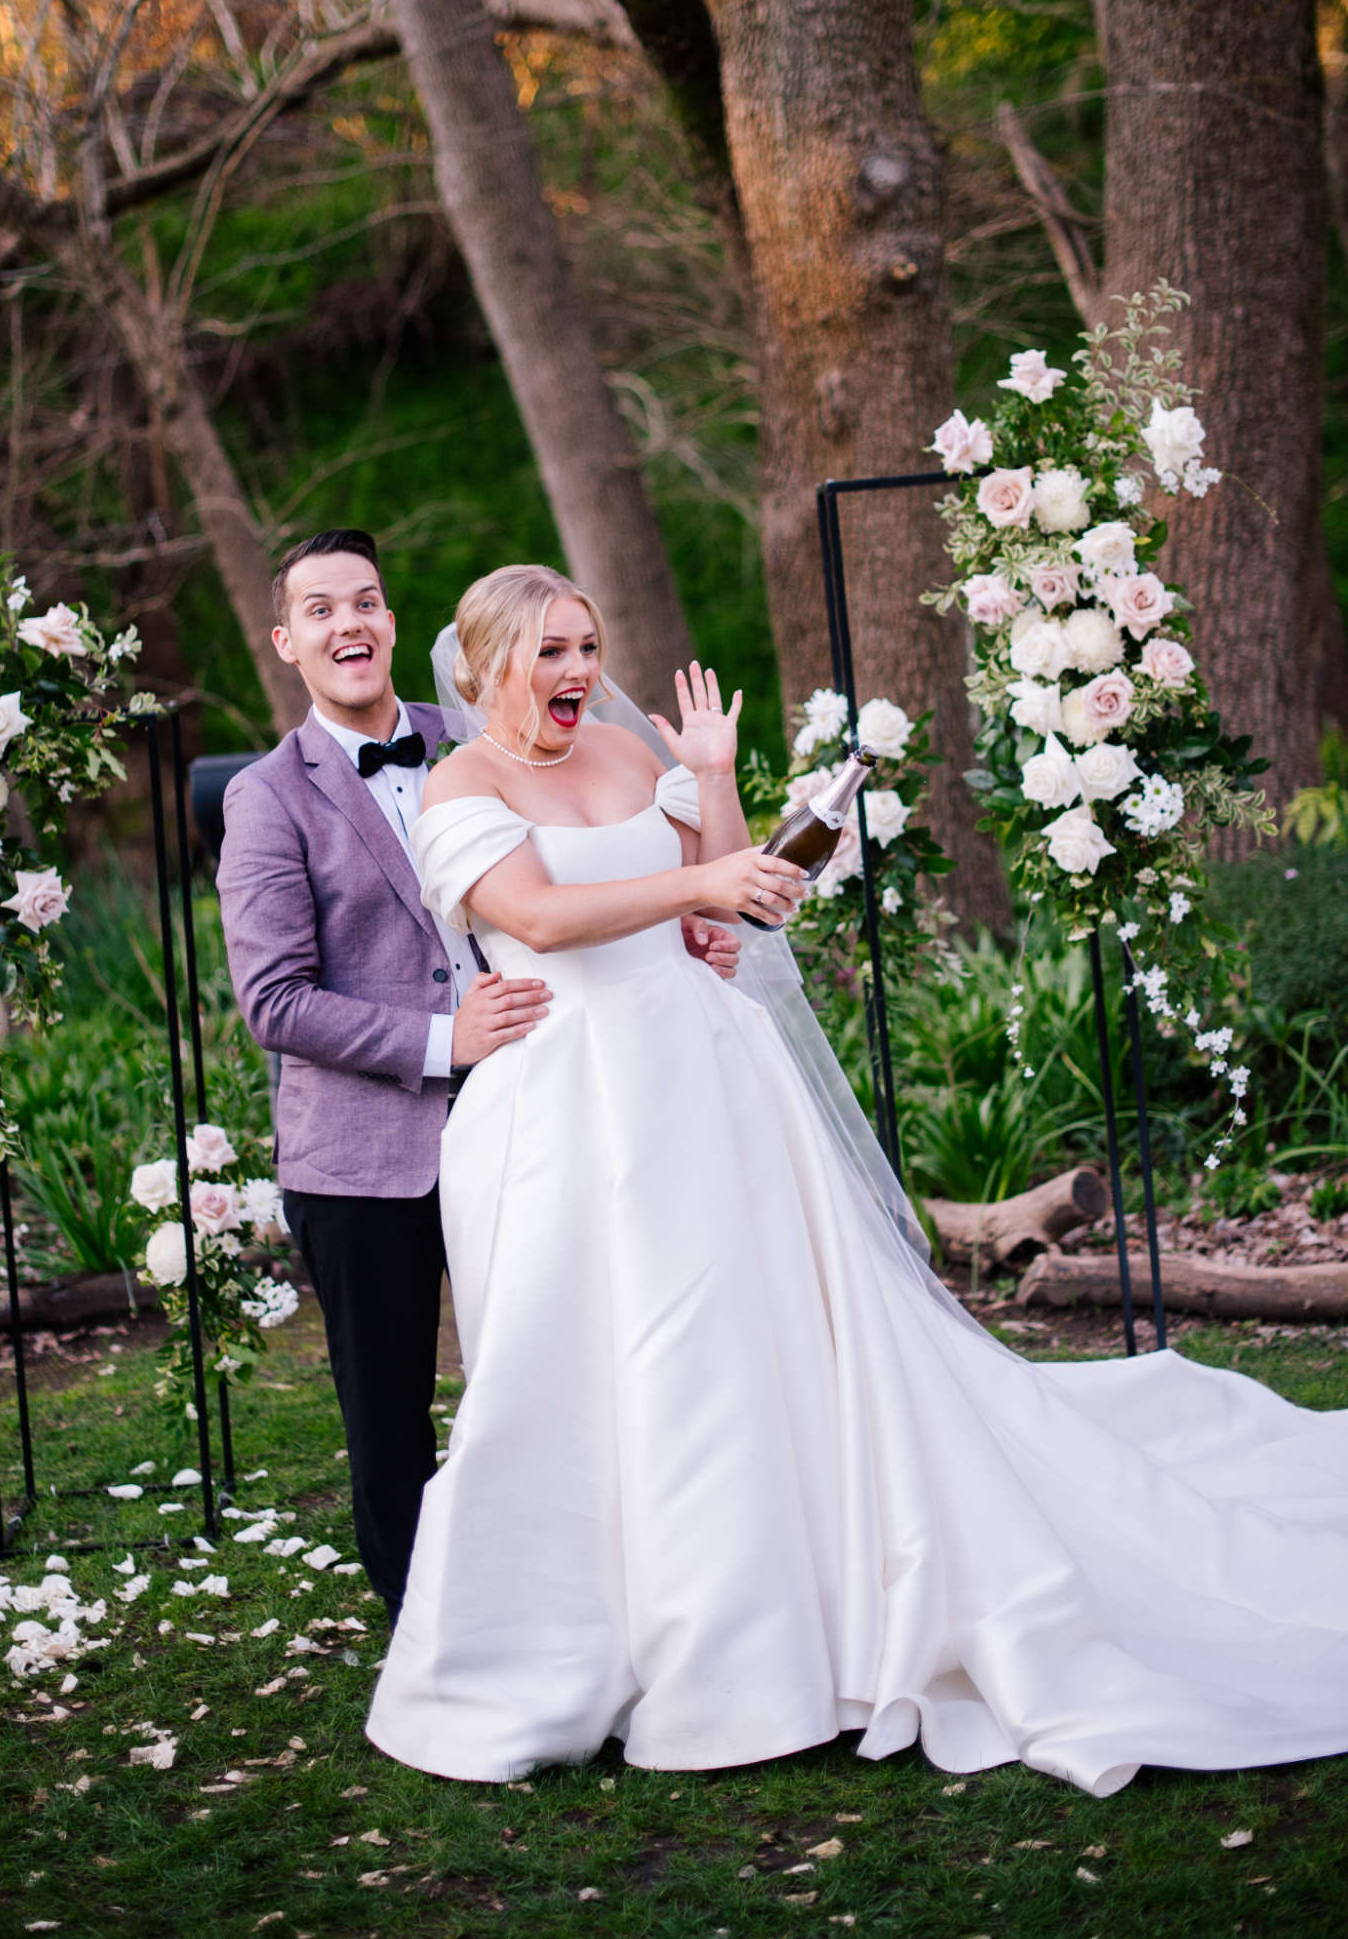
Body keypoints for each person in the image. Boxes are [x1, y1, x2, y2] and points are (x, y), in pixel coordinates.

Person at [366, 562, 1348, 1797]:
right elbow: (542, 918)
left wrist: (717, 788)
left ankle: (786, 1617)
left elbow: (747, 898)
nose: (576, 672)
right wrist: (697, 888)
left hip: (704, 1078)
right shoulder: (461, 784)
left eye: (587, 647)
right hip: (568, 1101)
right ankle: (597, 1635)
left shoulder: (628, 760)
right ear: (490, 659)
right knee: (582, 1360)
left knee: (740, 1344)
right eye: (551, 652)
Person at [215, 530, 737, 1623]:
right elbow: (274, 1001)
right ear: (285, 641)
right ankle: (432, 1633)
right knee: (392, 1414)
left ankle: (596, 1590)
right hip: (371, 1151)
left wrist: (688, 929)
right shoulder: (269, 798)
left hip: (560, 1107)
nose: (348, 623)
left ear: (397, 623)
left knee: (567, 1364)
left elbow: (628, 868)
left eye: (365, 600)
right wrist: (442, 1040)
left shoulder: (507, 733)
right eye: (319, 610)